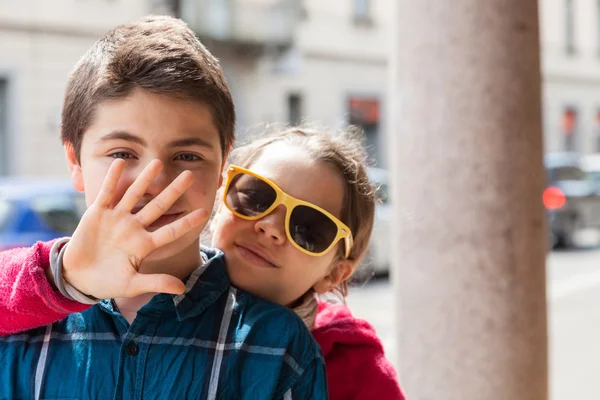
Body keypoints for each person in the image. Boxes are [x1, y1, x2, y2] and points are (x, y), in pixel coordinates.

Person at [0, 16, 327, 400]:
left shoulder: (278, 346)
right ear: (75, 162)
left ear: (223, 165)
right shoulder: (20, 327)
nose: (156, 182)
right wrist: (67, 279)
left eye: (187, 155)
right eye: (122, 153)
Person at [1, 127, 406, 399]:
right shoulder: (126, 294)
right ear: (220, 193)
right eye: (255, 196)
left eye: (310, 227)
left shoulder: (354, 367)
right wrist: (64, 276)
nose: (270, 227)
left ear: (336, 272)